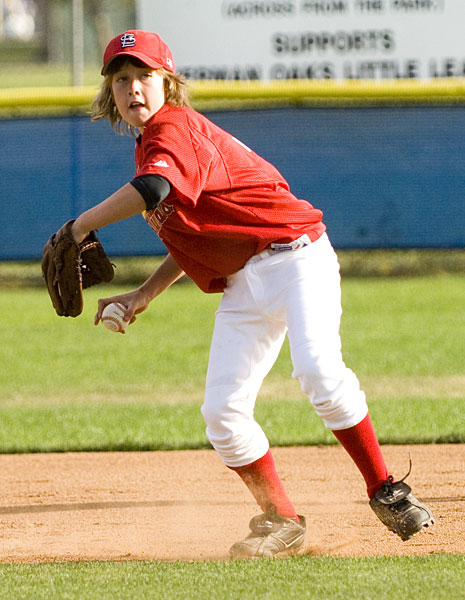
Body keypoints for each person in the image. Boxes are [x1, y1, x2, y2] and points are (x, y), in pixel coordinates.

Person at [69, 30, 434, 558]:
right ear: (110, 91)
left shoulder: (173, 129)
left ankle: (386, 489)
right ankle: (281, 519)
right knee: (222, 411)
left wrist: (80, 225)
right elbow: (202, 236)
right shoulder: (151, 146)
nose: (133, 89)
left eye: (145, 75)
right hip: (246, 280)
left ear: (167, 82)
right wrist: (145, 293)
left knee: (318, 372)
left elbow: (154, 190)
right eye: (121, 79)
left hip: (298, 258)